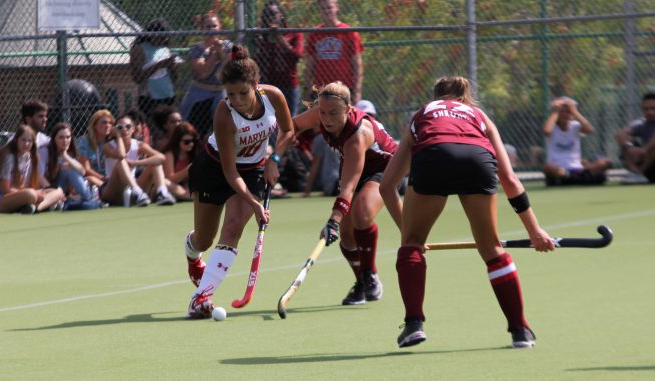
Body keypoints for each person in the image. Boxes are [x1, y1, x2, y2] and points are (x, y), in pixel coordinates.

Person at [379, 76, 556, 349]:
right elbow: (509, 178)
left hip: (433, 157)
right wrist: (535, 230)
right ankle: (520, 330)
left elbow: (388, 185)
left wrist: (409, 237)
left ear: (435, 97)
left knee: (411, 245)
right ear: (465, 97)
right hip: (477, 160)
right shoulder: (478, 114)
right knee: (492, 249)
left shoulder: (422, 113)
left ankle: (414, 324)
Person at [184, 45, 294, 319]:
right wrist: (256, 204)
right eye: (230, 95)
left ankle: (201, 297)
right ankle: (191, 252)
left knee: (232, 229)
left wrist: (274, 159)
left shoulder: (273, 97)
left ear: (256, 86)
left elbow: (289, 130)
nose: (237, 100)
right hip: (214, 168)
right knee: (204, 239)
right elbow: (230, 173)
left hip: (253, 170)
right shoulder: (224, 114)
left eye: (243, 93)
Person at [292, 81, 398, 305]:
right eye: (322, 112)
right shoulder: (320, 115)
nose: (327, 119)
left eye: (333, 113)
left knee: (361, 213)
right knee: (347, 234)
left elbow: (348, 187)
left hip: (384, 169)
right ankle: (360, 282)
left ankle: (370, 276)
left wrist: (332, 220)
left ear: (348, 110)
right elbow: (290, 126)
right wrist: (274, 156)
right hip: (353, 167)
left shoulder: (357, 135)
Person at [0, 124, 65, 213]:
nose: (26, 144)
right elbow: (5, 190)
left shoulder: (28, 157)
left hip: (17, 194)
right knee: (31, 194)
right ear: (16, 140)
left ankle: (37, 207)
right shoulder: (8, 157)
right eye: (23, 140)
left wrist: (38, 192)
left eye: (29, 141)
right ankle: (45, 205)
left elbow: (22, 185)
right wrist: (35, 193)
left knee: (58, 191)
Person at [102, 114, 176, 207]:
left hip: (133, 186)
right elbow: (121, 155)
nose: (124, 130)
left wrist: (136, 163)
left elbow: (161, 157)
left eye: (128, 127)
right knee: (121, 162)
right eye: (120, 127)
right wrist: (118, 136)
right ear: (115, 129)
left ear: (133, 129)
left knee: (156, 163)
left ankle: (162, 193)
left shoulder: (139, 145)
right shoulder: (107, 146)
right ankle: (137, 193)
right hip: (112, 189)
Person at [179, 11, 232, 138]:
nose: (212, 29)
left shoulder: (228, 45)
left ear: (220, 27)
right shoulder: (196, 49)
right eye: (208, 27)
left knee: (222, 133)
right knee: (193, 132)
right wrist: (214, 53)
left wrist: (221, 52)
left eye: (214, 26)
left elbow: (230, 68)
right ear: (202, 29)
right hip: (199, 93)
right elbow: (203, 73)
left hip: (220, 93)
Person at [541, 96, 611, 186]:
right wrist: (555, 112)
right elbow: (546, 131)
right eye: (562, 111)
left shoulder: (575, 126)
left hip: (578, 169)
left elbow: (590, 130)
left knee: (606, 163)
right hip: (560, 170)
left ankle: (571, 179)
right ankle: (580, 179)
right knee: (546, 167)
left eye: (568, 111)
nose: (566, 114)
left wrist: (575, 112)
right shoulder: (551, 126)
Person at [304, 0, 364, 104]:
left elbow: (357, 65)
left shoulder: (349, 32)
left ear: (336, 7)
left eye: (329, 7)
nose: (326, 11)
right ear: (319, 10)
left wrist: (357, 92)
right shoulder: (314, 34)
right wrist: (308, 89)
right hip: (321, 90)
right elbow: (309, 66)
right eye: (323, 8)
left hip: (343, 89)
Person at [254, 1, 303, 116]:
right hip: (268, 85)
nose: (270, 17)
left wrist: (279, 38)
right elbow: (256, 61)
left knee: (290, 122)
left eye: (274, 13)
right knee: (268, 124)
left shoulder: (293, 33)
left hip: (289, 86)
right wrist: (260, 39)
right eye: (267, 14)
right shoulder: (261, 35)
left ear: (281, 15)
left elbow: (296, 56)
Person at [129, 18, 182, 118]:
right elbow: (137, 78)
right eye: (158, 37)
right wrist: (159, 65)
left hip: (168, 96)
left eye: (164, 38)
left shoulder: (165, 48)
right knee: (154, 130)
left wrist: (172, 67)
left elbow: (174, 79)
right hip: (149, 98)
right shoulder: (139, 49)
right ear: (150, 34)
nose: (161, 41)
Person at [46, 123, 101, 210]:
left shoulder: (70, 154)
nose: (65, 140)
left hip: (68, 190)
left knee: (71, 168)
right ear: (54, 139)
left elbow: (82, 171)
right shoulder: (47, 153)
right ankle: (88, 198)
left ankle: (87, 198)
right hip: (52, 188)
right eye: (61, 137)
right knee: (68, 169)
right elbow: (49, 177)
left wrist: (65, 155)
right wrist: (59, 167)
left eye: (68, 137)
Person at [616, 92, 655, 184]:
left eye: (653, 108)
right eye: (645, 109)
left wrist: (644, 149)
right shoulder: (641, 123)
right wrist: (630, 148)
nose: (649, 112)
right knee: (626, 141)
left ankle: (639, 172)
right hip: (649, 166)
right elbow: (620, 134)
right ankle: (636, 173)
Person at [163, 122, 201, 201]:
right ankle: (188, 196)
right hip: (171, 186)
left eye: (193, 140)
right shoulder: (170, 154)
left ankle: (186, 195)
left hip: (185, 187)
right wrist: (187, 170)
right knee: (165, 183)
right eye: (186, 142)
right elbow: (170, 179)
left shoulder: (192, 154)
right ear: (178, 141)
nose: (191, 144)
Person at [77, 109, 113, 188]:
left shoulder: (113, 142)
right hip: (94, 179)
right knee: (91, 179)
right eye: (104, 122)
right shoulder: (84, 141)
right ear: (94, 125)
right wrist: (105, 179)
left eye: (110, 123)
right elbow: (86, 169)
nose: (108, 125)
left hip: (111, 179)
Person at [21, 100, 51, 176]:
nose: (45, 119)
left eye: (45, 116)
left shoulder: (46, 141)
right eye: (40, 116)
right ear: (28, 119)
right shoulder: (15, 141)